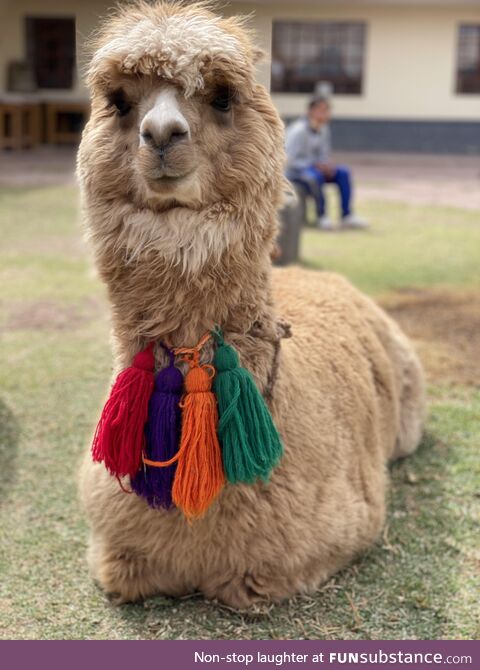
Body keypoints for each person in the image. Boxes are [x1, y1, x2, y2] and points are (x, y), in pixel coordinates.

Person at [285, 95, 368, 230]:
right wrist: (313, 165)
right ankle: (322, 216)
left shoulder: (323, 129)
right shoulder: (298, 130)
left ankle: (347, 215)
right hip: (297, 172)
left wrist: (326, 165)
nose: (325, 114)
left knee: (343, 172)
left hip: (315, 168)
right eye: (321, 110)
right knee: (314, 177)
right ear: (311, 111)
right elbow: (288, 159)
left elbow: (324, 155)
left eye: (327, 110)